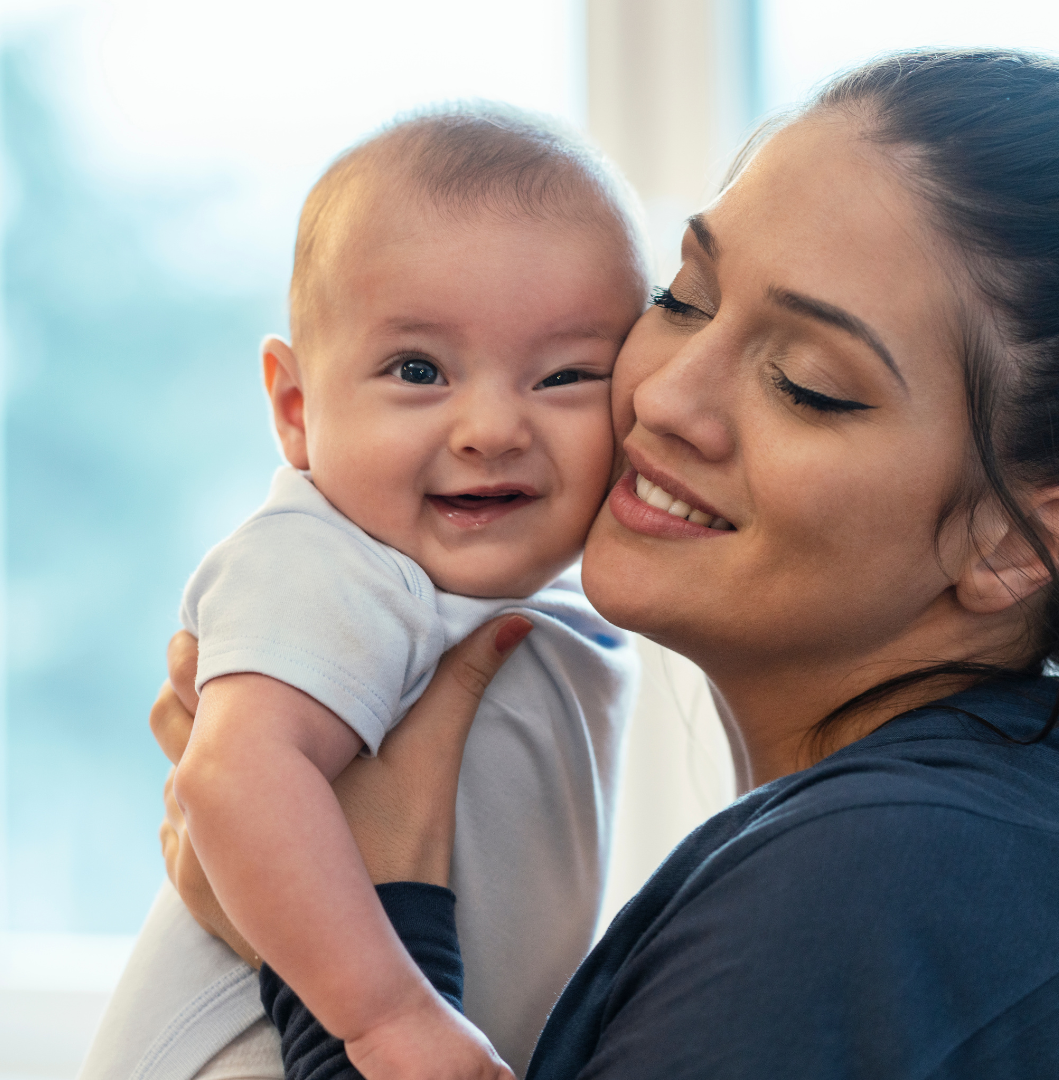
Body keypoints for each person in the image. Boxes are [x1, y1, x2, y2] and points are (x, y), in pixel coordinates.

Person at [154, 48, 1059, 1078]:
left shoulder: (877, 876)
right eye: (685, 298)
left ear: (1014, 542)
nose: (664, 396)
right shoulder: (961, 837)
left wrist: (361, 942)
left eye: (806, 384)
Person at [78, 105, 650, 1080]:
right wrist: (385, 1016)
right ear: (297, 411)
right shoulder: (329, 557)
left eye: (562, 376)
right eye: (419, 370)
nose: (491, 427)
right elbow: (229, 776)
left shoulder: (548, 597)